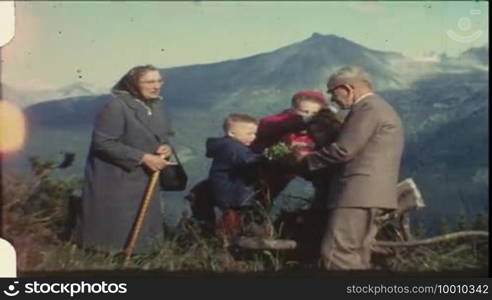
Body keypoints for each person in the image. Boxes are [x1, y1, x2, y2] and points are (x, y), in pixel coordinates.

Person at [298, 66, 404, 270]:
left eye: (332, 92)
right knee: (355, 256)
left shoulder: (368, 109)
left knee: (338, 255)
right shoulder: (379, 108)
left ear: (347, 88)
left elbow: (344, 150)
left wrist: (305, 161)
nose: (332, 99)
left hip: (356, 193)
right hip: (369, 194)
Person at [74, 65, 175, 254]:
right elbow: (102, 143)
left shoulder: (157, 106)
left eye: (159, 81)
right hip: (116, 178)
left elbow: (165, 137)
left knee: (143, 226)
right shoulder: (116, 106)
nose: (156, 86)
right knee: (115, 230)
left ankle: (141, 258)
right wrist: (143, 157)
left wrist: (166, 147)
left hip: (144, 177)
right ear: (133, 84)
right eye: (149, 82)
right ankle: (104, 261)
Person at [251, 90, 327, 201]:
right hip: (259, 172)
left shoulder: (319, 129)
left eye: (314, 113)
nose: (309, 116)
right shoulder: (279, 122)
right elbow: (266, 126)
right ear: (293, 110)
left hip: (284, 175)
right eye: (304, 111)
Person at [205, 113, 264, 241]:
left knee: (232, 218)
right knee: (231, 221)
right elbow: (247, 161)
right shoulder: (233, 148)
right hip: (230, 193)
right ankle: (226, 243)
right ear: (232, 133)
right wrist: (268, 157)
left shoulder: (227, 145)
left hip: (226, 189)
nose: (253, 137)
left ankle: (226, 240)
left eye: (254, 134)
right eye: (249, 134)